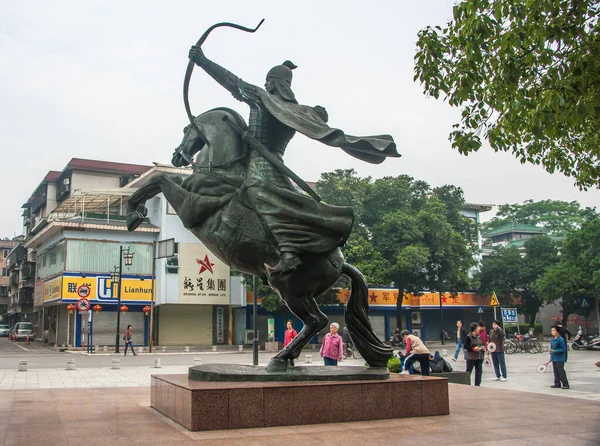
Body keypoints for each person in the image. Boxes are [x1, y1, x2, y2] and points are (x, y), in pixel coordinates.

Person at [188, 46, 397, 275]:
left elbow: (231, 81)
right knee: (284, 204)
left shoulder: (264, 99)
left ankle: (289, 253)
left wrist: (203, 61)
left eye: (269, 80)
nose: (265, 84)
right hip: (270, 163)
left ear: (276, 82)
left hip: (262, 164)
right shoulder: (295, 110)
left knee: (260, 197)